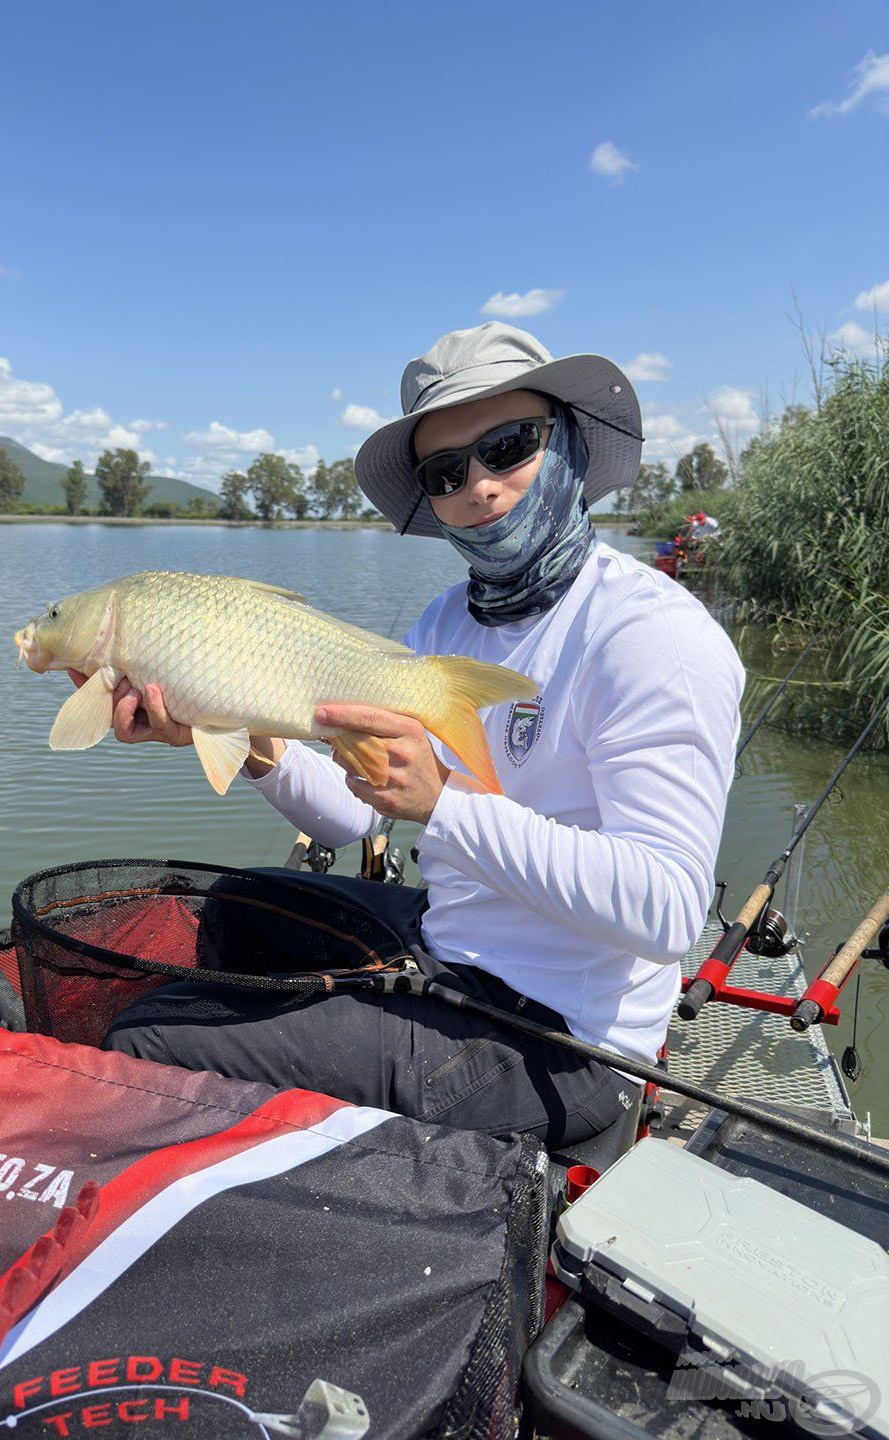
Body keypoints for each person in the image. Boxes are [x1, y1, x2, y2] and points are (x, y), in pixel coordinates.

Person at [86, 322, 744, 1150]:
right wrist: (249, 742)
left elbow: (669, 911)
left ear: (570, 445)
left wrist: (443, 807)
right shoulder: (446, 622)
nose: (481, 486)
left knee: (145, 1042)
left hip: (562, 1041)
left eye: (509, 445)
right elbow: (358, 818)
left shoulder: (651, 637)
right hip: (446, 945)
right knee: (233, 910)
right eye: (447, 470)